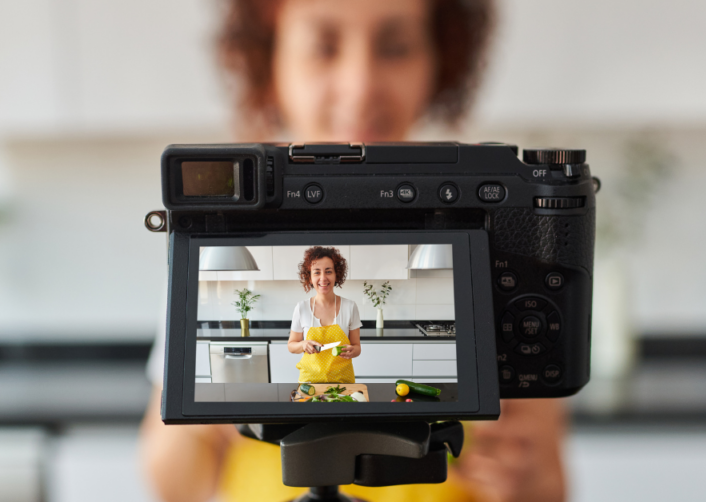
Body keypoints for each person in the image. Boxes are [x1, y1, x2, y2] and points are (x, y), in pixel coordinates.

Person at [141, 1, 568, 501]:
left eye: (395, 48)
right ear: (270, 60)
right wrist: (212, 401)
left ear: (438, 58)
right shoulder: (229, 244)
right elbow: (169, 481)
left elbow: (548, 483)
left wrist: (525, 480)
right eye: (324, 47)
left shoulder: (496, 237)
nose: (361, 83)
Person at [287, 247, 362, 384]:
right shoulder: (301, 308)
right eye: (317, 272)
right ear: (309, 277)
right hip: (309, 382)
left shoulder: (350, 307)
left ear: (336, 275)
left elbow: (357, 347)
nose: (323, 278)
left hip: (342, 382)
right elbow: (291, 345)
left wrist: (353, 351)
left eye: (328, 271)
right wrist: (303, 344)